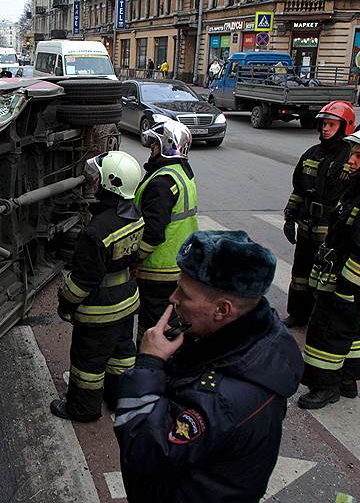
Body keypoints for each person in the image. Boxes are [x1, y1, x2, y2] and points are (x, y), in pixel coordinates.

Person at [113, 230, 303, 502]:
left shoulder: (222, 398)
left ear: (223, 310)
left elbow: (145, 451)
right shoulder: (245, 338)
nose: (173, 298)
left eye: (185, 294)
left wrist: (149, 364)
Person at [298, 127, 360, 409]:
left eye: (357, 155)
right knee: (349, 330)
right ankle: (346, 381)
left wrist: (345, 290)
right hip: (346, 278)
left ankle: (325, 387)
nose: (350, 160)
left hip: (352, 282)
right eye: (352, 154)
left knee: (327, 331)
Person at [52, 151, 146, 422]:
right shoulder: (135, 215)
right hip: (127, 302)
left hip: (99, 310)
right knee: (122, 354)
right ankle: (119, 398)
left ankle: (82, 409)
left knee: (88, 364)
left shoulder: (96, 232)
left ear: (110, 183)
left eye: (98, 177)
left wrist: (65, 303)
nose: (94, 182)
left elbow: (83, 282)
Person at [281, 101, 355, 328]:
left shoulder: (350, 158)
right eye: (324, 124)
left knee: (325, 276)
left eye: (332, 124)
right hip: (306, 225)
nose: (326, 129)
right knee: (300, 274)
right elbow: (298, 190)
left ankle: (320, 318)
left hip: (330, 230)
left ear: (344, 127)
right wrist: (290, 218)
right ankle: (297, 313)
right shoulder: (311, 154)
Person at [133, 121, 198, 346]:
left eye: (155, 144)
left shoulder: (162, 181)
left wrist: (134, 259)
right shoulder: (182, 172)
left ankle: (150, 365)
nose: (151, 147)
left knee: (153, 325)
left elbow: (152, 232)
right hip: (179, 263)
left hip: (158, 269)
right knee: (170, 320)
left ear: (166, 145)